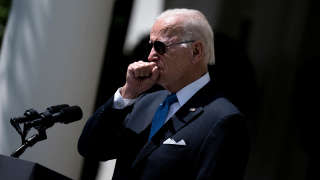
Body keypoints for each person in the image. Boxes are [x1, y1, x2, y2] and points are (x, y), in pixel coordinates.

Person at [78, 8, 250, 180]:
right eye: (150, 46)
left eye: (160, 47)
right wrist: (127, 94)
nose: (151, 55)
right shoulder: (145, 101)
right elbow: (91, 148)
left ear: (196, 51)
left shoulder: (223, 119)